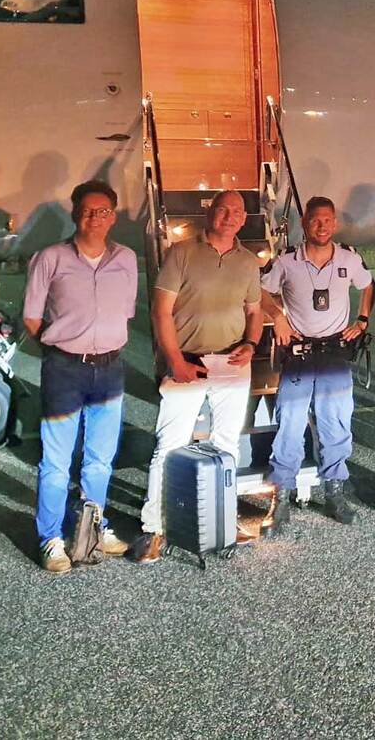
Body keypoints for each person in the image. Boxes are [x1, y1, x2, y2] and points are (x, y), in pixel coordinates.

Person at [132, 190, 263, 563]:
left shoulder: (248, 262)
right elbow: (161, 312)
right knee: (169, 445)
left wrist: (251, 343)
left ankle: (223, 518)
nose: (230, 216)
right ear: (211, 213)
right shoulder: (181, 253)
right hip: (186, 362)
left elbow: (254, 311)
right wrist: (174, 360)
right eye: (223, 209)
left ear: (244, 219)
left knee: (227, 445)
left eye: (237, 212)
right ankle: (153, 528)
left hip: (232, 363)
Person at [23, 180, 138, 574]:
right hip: (65, 369)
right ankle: (51, 538)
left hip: (110, 368)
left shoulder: (126, 259)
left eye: (103, 211)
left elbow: (125, 313)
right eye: (88, 210)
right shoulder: (50, 258)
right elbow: (32, 318)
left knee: (100, 460)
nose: (95, 217)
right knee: (56, 462)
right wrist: (63, 348)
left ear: (113, 217)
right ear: (75, 214)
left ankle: (93, 527)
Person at [260, 196, 375, 530]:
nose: (321, 226)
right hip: (298, 353)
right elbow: (260, 291)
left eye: (327, 220)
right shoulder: (287, 260)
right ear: (304, 222)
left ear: (334, 223)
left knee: (335, 424)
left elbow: (368, 285)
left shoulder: (349, 258)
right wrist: (278, 317)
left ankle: (334, 493)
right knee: (290, 424)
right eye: (315, 220)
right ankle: (281, 496)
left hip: (334, 353)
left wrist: (362, 319)